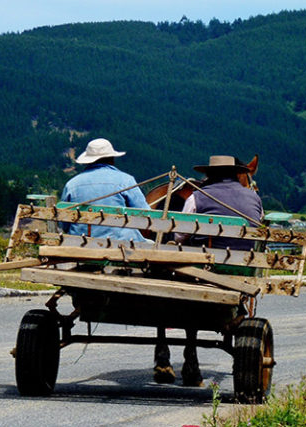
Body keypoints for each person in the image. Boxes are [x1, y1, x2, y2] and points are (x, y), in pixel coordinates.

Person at [154, 155, 263, 387]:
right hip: (239, 270)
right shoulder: (254, 197)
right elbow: (259, 228)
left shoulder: (197, 197)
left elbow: (180, 235)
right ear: (238, 173)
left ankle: (172, 358)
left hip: (205, 268)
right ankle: (192, 363)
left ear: (209, 174)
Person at [60, 138, 150, 241]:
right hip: (121, 243)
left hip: (80, 243)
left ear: (88, 161)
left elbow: (64, 223)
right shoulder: (126, 181)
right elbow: (145, 216)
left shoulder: (72, 185)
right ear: (111, 159)